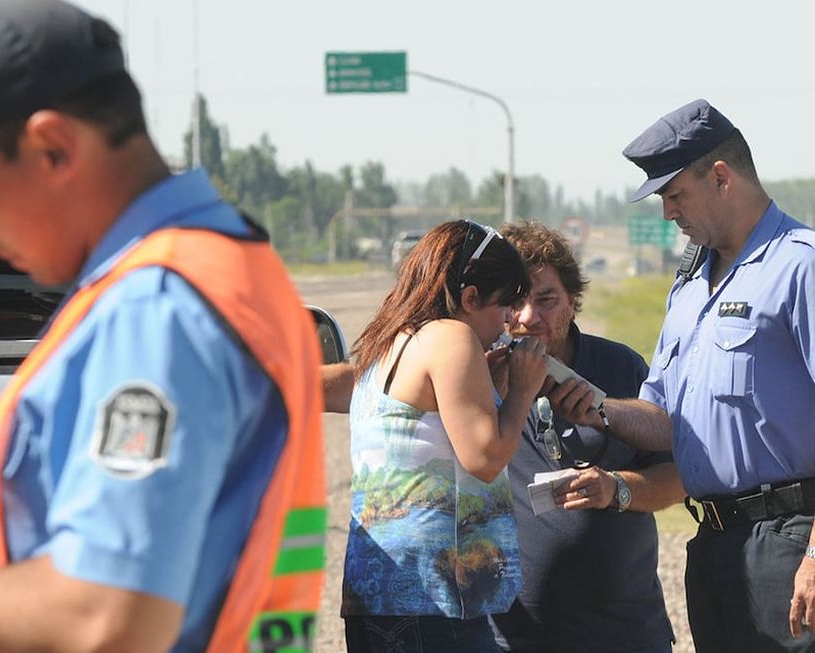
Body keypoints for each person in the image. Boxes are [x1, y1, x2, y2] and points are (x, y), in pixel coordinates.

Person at [0, 1, 326, 652]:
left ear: (54, 146)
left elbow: (108, 622)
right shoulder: (219, 266)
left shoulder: (157, 307)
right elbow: (125, 557)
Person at [555, 98, 815, 652]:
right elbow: (667, 422)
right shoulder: (689, 287)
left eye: (674, 194)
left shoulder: (801, 267)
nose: (667, 213)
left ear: (720, 176)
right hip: (714, 547)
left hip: (789, 544)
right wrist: (598, 405)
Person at [340, 219, 549, 652]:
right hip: (432, 600)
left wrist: (490, 390)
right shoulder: (452, 336)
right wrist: (523, 392)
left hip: (378, 596)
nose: (507, 324)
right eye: (503, 307)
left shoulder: (389, 342)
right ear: (470, 297)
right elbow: (485, 457)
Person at [487, 221, 684, 653]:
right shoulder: (479, 378)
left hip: (625, 632)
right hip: (511, 637)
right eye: (514, 301)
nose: (528, 317)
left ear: (573, 301)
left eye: (546, 300)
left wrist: (616, 489)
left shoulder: (619, 367)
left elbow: (680, 475)